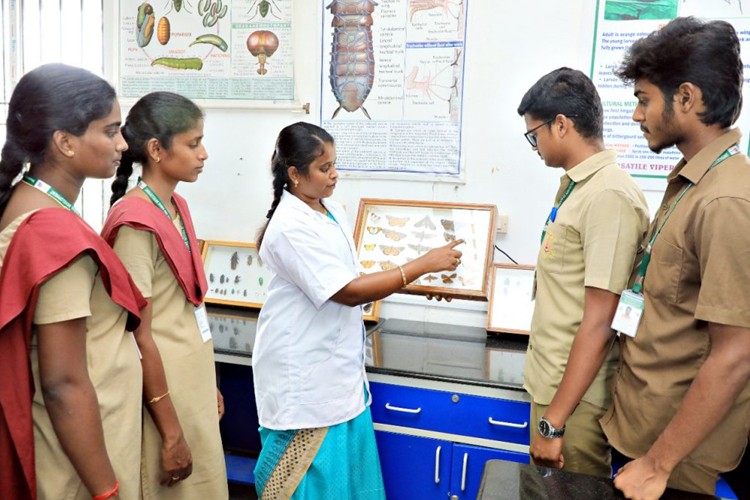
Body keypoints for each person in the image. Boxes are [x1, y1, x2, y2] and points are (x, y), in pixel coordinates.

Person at [252, 122, 463, 499]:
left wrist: (418, 283)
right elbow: (347, 292)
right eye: (324, 168)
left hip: (338, 376)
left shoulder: (330, 211)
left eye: (335, 165)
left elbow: (351, 277)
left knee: (350, 486)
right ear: (295, 174)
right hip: (304, 380)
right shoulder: (288, 226)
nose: (334, 176)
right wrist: (421, 265)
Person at [601, 17, 750, 498]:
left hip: (673, 462)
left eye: (644, 100)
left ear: (686, 99)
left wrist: (659, 464)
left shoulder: (726, 201)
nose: (637, 115)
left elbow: (737, 353)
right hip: (640, 432)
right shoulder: (692, 180)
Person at [0, 64, 146, 499]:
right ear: (64, 142)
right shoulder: (51, 234)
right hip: (76, 463)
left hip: (81, 444)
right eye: (111, 131)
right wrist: (105, 489)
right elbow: (63, 384)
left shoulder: (32, 206)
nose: (122, 144)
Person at [517, 67, 649, 478]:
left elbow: (601, 319)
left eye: (533, 134)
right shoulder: (578, 187)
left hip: (575, 400)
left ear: (561, 125)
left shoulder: (608, 195)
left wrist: (554, 421)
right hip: (554, 384)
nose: (534, 145)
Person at [102, 91, 228, 499]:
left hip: (191, 384)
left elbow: (187, 309)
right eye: (193, 144)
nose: (203, 153)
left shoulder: (176, 207)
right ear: (156, 149)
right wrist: (171, 432)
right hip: (162, 397)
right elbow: (139, 334)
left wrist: (207, 383)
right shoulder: (136, 221)